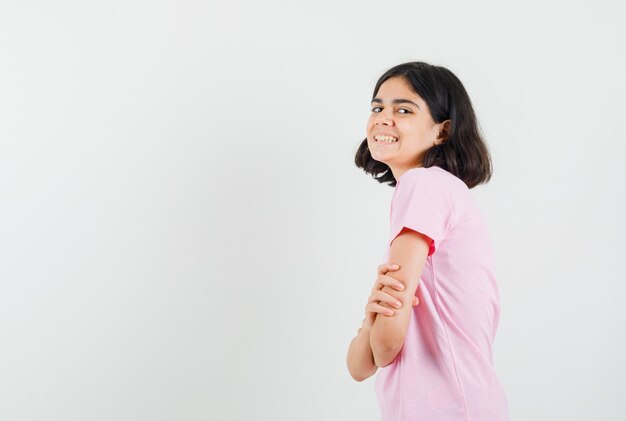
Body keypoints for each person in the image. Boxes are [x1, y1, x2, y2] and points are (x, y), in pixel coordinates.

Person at [346, 61, 510, 421]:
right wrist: (375, 324)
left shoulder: (425, 185)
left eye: (403, 109)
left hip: (449, 408)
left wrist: (375, 321)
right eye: (378, 107)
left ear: (442, 131)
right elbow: (359, 366)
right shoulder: (434, 192)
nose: (383, 118)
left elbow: (384, 347)